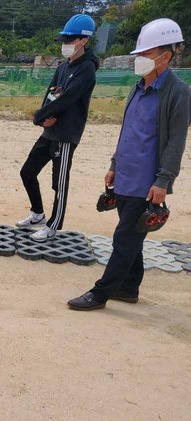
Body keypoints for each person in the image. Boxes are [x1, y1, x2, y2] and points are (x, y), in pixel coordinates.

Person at [68, 18, 190, 311]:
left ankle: (101, 293)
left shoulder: (178, 93)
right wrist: (113, 163)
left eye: (146, 55)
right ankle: (128, 287)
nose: (140, 60)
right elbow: (129, 130)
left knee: (124, 239)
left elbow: (176, 141)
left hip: (147, 183)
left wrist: (163, 180)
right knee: (130, 236)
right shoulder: (138, 87)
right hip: (124, 175)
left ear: (166, 56)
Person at [16, 14, 99, 242]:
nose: (66, 44)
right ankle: (37, 214)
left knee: (59, 183)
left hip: (66, 133)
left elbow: (69, 98)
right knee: (27, 172)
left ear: (83, 40)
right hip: (49, 130)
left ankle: (53, 226)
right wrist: (44, 116)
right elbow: (52, 93)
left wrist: (40, 116)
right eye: (64, 39)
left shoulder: (87, 69)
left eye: (70, 39)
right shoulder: (64, 67)